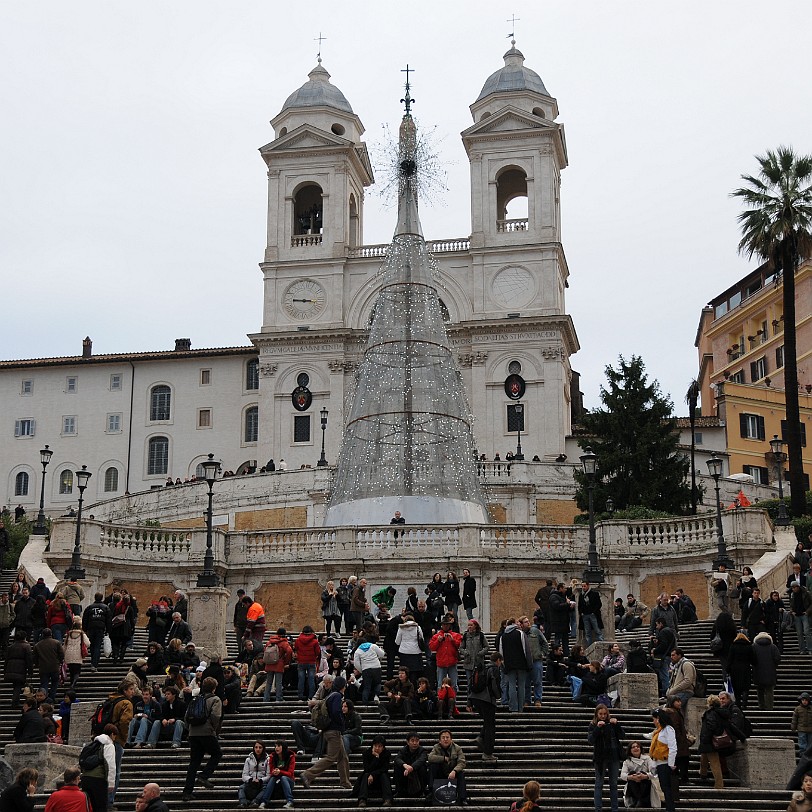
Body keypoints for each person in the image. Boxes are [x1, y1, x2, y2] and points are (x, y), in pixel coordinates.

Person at [300, 675, 352, 790]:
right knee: (331, 757)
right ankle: (307, 774)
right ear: (342, 686)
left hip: (329, 730)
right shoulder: (337, 696)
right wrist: (342, 724)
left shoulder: (330, 695)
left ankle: (345, 783)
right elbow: (336, 711)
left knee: (343, 757)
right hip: (334, 731)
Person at [181, 677, 223, 802]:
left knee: (194, 762)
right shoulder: (215, 699)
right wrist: (213, 729)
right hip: (207, 732)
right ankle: (204, 775)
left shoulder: (195, 699)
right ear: (214, 688)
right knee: (217, 754)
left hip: (193, 734)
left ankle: (187, 792)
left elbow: (186, 716)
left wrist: (190, 730)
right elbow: (216, 716)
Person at [588, 703, 624, 812]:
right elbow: (590, 740)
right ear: (596, 714)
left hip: (613, 756)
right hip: (600, 757)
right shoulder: (593, 725)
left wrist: (617, 724)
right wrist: (598, 728)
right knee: (599, 783)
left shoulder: (612, 724)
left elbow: (622, 735)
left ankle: (615, 808)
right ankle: (598, 808)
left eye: (604, 714)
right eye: (600, 714)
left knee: (613, 783)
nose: (603, 716)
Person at [470, 650, 502, 765]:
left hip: (476, 699)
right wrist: (498, 696)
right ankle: (488, 752)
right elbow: (494, 685)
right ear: (498, 660)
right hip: (487, 700)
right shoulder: (494, 669)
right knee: (491, 726)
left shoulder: (480, 668)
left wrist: (469, 702)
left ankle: (480, 737)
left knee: (488, 721)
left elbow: (471, 683)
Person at [697, 695, 735, 790]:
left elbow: (711, 726)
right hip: (714, 740)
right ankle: (703, 773)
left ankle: (719, 785)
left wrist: (707, 738)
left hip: (710, 740)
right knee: (704, 756)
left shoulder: (710, 713)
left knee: (714, 762)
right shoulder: (723, 713)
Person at [80, 724, 117, 812]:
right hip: (98, 779)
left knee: (90, 807)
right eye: (115, 736)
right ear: (112, 734)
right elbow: (110, 765)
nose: (115, 739)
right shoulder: (108, 745)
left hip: (86, 778)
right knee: (100, 807)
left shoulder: (93, 744)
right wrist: (111, 783)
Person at [499, 616, 532, 713]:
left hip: (509, 664)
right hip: (521, 663)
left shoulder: (503, 636)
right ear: (514, 624)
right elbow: (526, 649)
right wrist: (529, 663)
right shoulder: (520, 633)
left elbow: (501, 652)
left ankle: (513, 707)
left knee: (512, 685)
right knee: (521, 685)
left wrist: (503, 664)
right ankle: (520, 707)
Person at [428, 729, 467, 806]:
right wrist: (443, 758)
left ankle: (463, 798)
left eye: (447, 737)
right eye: (443, 737)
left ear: (451, 739)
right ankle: (431, 792)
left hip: (452, 773)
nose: (445, 739)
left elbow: (462, 762)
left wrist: (454, 771)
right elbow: (430, 758)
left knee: (461, 773)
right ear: (439, 740)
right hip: (441, 773)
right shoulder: (436, 747)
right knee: (433, 766)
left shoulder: (457, 748)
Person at [352, 734, 393, 808]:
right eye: (375, 746)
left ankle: (387, 799)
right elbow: (367, 769)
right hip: (368, 780)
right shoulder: (366, 753)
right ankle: (362, 799)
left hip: (381, 780)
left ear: (383, 748)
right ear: (372, 746)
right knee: (365, 775)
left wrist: (373, 774)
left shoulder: (387, 754)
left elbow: (384, 768)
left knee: (384, 775)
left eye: (379, 746)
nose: (377, 748)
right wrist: (376, 758)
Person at [648, 708, 676, 812]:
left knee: (667, 789)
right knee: (664, 788)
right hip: (659, 763)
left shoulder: (668, 729)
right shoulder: (660, 731)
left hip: (666, 763)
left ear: (658, 719)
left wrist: (671, 763)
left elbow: (673, 748)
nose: (654, 721)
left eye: (654, 719)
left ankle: (670, 809)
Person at [460, 619, 489, 712]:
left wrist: (480, 653)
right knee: (469, 684)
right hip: (468, 663)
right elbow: (461, 648)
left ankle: (478, 703)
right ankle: (469, 703)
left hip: (478, 663)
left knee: (478, 683)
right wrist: (465, 653)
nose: (469, 627)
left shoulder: (480, 635)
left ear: (475, 626)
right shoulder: (465, 636)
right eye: (468, 625)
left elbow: (487, 647)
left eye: (471, 625)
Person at [258, 741, 296, 809]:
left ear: (283, 747)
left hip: (289, 782)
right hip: (277, 782)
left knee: (283, 778)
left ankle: (290, 801)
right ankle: (264, 802)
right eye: (275, 746)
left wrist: (280, 772)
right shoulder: (272, 756)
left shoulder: (290, 756)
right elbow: (271, 770)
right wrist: (274, 772)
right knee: (272, 778)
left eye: (278, 746)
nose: (276, 748)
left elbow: (290, 773)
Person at [619, 741, 656, 810]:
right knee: (631, 773)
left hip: (646, 785)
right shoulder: (627, 761)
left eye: (637, 747)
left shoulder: (647, 758)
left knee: (643, 773)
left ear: (641, 749)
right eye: (633, 747)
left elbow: (654, 772)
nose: (636, 748)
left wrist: (645, 776)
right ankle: (638, 799)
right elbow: (622, 775)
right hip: (633, 785)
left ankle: (641, 800)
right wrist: (632, 777)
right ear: (630, 750)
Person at [429, 618, 462, 692]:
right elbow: (432, 647)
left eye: (447, 624)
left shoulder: (455, 635)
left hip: (452, 662)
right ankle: (441, 700)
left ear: (450, 625)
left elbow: (460, 645)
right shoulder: (436, 636)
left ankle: (453, 701)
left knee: (454, 684)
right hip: (441, 663)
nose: (445, 626)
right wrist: (438, 641)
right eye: (444, 624)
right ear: (441, 625)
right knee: (440, 684)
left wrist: (452, 640)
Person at [393, 731, 429, 799]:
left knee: (422, 767)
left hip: (417, 774)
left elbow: (421, 760)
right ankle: (400, 791)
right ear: (407, 742)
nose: (415, 743)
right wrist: (404, 765)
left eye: (417, 741)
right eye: (412, 741)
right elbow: (397, 759)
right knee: (397, 766)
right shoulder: (404, 750)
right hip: (405, 774)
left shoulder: (422, 750)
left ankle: (422, 791)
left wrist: (411, 767)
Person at [353, 634, 385, 705]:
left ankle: (365, 702)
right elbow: (382, 654)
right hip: (377, 667)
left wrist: (362, 670)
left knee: (367, 687)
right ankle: (376, 696)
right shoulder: (373, 646)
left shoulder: (357, 651)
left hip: (366, 669)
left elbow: (356, 663)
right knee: (377, 683)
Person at [82, 593, 111, 672]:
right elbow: (108, 620)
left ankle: (92, 660)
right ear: (102, 598)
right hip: (100, 629)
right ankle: (94, 664)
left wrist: (84, 629)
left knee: (92, 645)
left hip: (90, 629)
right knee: (97, 646)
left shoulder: (89, 607)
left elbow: (85, 619)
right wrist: (108, 630)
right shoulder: (106, 608)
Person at [34, 628, 64, 704]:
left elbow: (35, 657)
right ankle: (51, 697)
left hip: (43, 668)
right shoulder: (56, 643)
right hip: (54, 666)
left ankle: (44, 699)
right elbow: (61, 654)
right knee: (55, 683)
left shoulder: (38, 645)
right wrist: (60, 662)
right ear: (51, 634)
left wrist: (37, 665)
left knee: (44, 684)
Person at [753, 630, 781, 710]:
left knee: (759, 691)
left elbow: (751, 658)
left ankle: (761, 706)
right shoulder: (773, 647)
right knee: (769, 691)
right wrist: (773, 665)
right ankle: (769, 707)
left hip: (758, 672)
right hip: (770, 672)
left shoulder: (754, 646)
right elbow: (777, 658)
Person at [263, 627, 293, 703]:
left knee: (269, 682)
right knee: (278, 682)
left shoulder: (269, 642)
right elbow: (289, 651)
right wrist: (286, 661)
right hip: (279, 663)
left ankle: (266, 698)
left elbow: (265, 650)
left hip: (269, 663)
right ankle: (278, 698)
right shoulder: (283, 642)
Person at [728, 631, 756, 709]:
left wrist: (728, 669)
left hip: (735, 669)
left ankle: (738, 703)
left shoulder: (733, 646)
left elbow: (730, 658)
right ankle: (744, 702)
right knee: (745, 687)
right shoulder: (749, 646)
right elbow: (753, 659)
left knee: (736, 687)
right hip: (746, 668)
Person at [6, 629, 34, 707]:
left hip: (11, 668)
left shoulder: (11, 646)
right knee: (18, 686)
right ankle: (15, 702)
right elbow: (29, 659)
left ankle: (15, 700)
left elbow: (6, 659)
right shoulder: (26, 646)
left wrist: (5, 670)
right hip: (21, 669)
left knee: (16, 685)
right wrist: (30, 671)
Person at [238, 740, 270, 808]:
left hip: (261, 783)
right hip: (250, 783)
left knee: (267, 788)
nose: (258, 749)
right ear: (254, 748)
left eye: (260, 747)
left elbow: (268, 775)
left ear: (263, 748)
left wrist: (261, 780)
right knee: (241, 787)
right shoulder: (248, 760)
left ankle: (255, 801)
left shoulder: (268, 760)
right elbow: (244, 775)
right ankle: (242, 803)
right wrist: (250, 779)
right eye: (256, 747)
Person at [650, 618, 676, 698]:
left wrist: (655, 650)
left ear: (661, 623)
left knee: (664, 675)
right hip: (668, 654)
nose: (656, 627)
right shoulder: (670, 630)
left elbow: (663, 645)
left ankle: (666, 693)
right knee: (666, 674)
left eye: (657, 624)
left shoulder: (663, 632)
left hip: (664, 656)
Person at [294, 625, 321, 701]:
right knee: (311, 679)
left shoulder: (298, 640)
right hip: (311, 662)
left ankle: (300, 695)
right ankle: (311, 696)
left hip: (301, 661)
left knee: (301, 679)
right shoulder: (315, 641)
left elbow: (296, 648)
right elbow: (318, 652)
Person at [394, 614, 424, 682]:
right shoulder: (418, 628)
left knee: (405, 672)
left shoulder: (401, 628)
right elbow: (422, 639)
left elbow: (397, 642)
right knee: (415, 672)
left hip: (404, 652)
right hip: (416, 652)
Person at [548, 582, 574, 655]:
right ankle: (556, 653)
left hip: (564, 622)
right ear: (560, 588)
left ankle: (566, 654)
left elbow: (564, 608)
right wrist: (567, 604)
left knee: (565, 640)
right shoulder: (553, 596)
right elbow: (557, 606)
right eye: (564, 588)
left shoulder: (562, 596)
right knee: (558, 639)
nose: (566, 589)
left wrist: (570, 607)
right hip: (558, 622)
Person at [789, 581, 812, 655]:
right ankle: (802, 649)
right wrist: (792, 611)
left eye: (795, 587)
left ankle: (810, 649)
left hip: (804, 614)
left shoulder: (806, 593)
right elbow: (791, 604)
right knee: (799, 633)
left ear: (798, 587)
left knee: (807, 632)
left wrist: (807, 612)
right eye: (792, 588)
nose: (793, 589)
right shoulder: (792, 595)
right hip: (796, 615)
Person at [579, 581, 605, 646]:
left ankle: (602, 644)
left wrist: (594, 612)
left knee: (597, 630)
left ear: (588, 586)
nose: (583, 588)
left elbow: (599, 604)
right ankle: (589, 646)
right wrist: (581, 612)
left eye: (584, 586)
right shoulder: (581, 595)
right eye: (582, 586)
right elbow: (579, 605)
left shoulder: (594, 594)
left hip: (593, 614)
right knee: (587, 632)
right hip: (585, 615)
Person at [793, 693, 812, 760]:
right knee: (802, 743)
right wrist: (793, 727)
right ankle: (802, 755)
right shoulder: (798, 709)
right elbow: (794, 719)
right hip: (801, 729)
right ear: (800, 700)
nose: (804, 701)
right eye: (803, 700)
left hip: (810, 729)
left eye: (806, 700)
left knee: (810, 743)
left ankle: (808, 755)